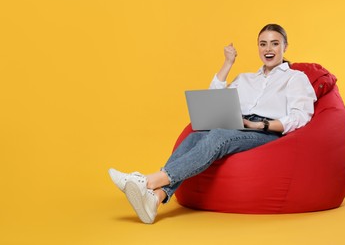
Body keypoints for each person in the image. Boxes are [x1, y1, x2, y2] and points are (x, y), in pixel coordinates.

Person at [108, 24, 317, 224]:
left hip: (266, 132)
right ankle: (155, 198)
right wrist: (227, 63)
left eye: (274, 43)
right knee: (195, 136)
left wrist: (261, 126)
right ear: (258, 48)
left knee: (218, 135)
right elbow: (215, 99)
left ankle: (147, 181)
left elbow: (301, 116)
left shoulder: (296, 78)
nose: (268, 49)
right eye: (263, 44)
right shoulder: (246, 79)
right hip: (238, 125)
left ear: (285, 46)